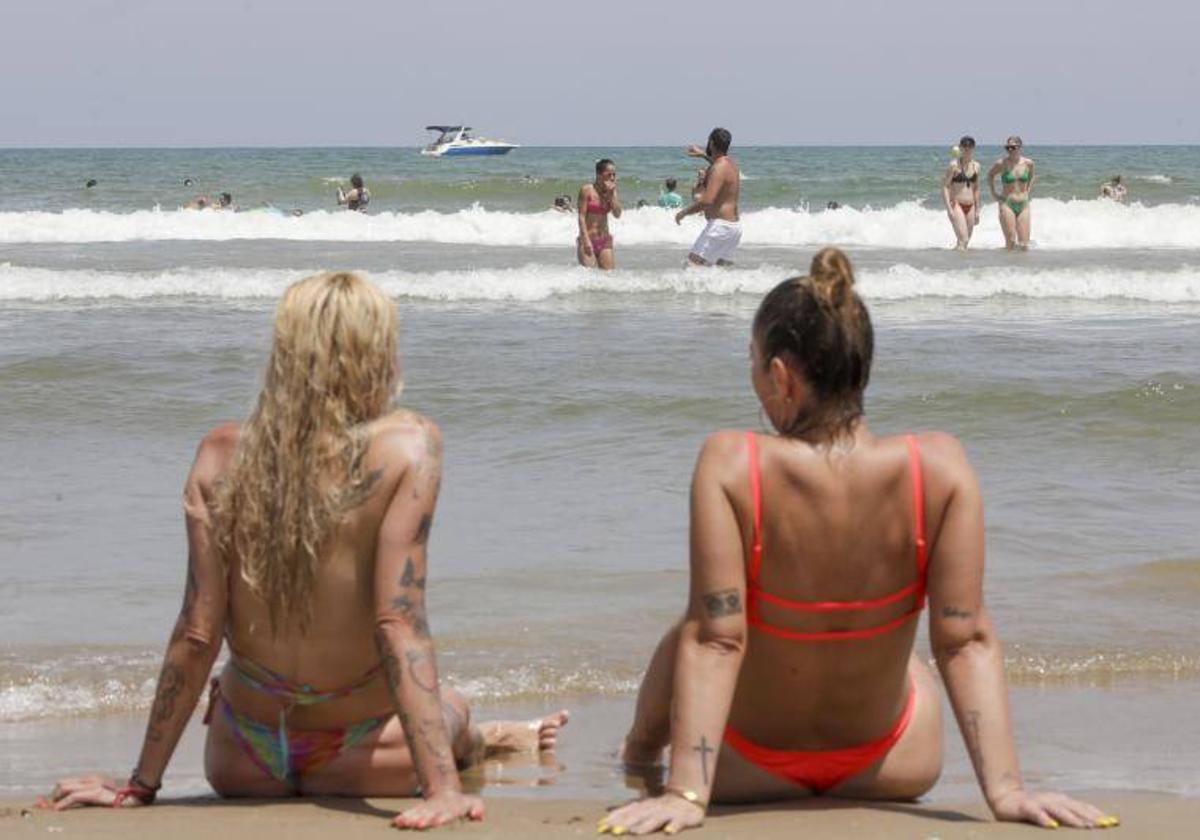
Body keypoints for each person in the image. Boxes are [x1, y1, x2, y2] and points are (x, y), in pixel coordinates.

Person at [600, 249, 1116, 835]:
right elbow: (965, 640)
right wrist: (1006, 790)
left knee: (695, 627)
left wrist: (687, 792)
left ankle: (636, 755)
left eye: (751, 362)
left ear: (780, 377)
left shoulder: (732, 464)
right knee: (914, 649)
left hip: (743, 771)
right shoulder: (940, 468)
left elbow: (717, 642)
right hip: (896, 764)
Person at [42, 272, 569, 830]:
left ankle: (489, 737)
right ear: (377, 350)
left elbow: (197, 633)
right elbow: (398, 624)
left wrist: (139, 785)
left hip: (243, 761)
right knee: (454, 710)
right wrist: (441, 789)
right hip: (371, 758)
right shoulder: (409, 445)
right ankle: (487, 738)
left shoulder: (219, 454)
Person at [676, 128, 741, 267]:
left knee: (689, 268)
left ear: (711, 143)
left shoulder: (718, 168)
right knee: (717, 274)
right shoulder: (731, 164)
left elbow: (707, 201)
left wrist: (683, 213)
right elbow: (717, 164)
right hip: (734, 228)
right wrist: (701, 154)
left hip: (720, 227)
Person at [988, 136, 1036, 250]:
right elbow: (990, 175)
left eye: (1013, 147)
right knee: (1011, 241)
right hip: (1007, 203)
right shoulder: (1001, 163)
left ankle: (1022, 268)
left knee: (1024, 244)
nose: (1010, 150)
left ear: (1020, 147)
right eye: (1007, 147)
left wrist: (1028, 190)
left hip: (1024, 204)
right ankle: (1008, 268)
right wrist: (993, 193)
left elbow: (1033, 176)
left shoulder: (1028, 163)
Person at [577, 158, 622, 270]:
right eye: (609, 175)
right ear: (599, 175)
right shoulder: (586, 190)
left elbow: (617, 214)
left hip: (604, 240)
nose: (612, 178)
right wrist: (586, 240)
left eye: (614, 175)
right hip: (587, 238)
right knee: (588, 276)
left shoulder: (612, 191)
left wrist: (611, 195)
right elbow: (581, 217)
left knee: (609, 276)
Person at [942, 136, 982, 250]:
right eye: (964, 146)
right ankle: (961, 266)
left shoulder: (977, 166)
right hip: (957, 205)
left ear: (973, 148)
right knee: (963, 239)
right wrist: (949, 208)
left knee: (964, 241)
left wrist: (978, 210)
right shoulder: (954, 165)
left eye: (970, 146)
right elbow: (945, 186)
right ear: (960, 148)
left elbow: (976, 188)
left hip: (971, 206)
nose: (967, 149)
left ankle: (956, 264)